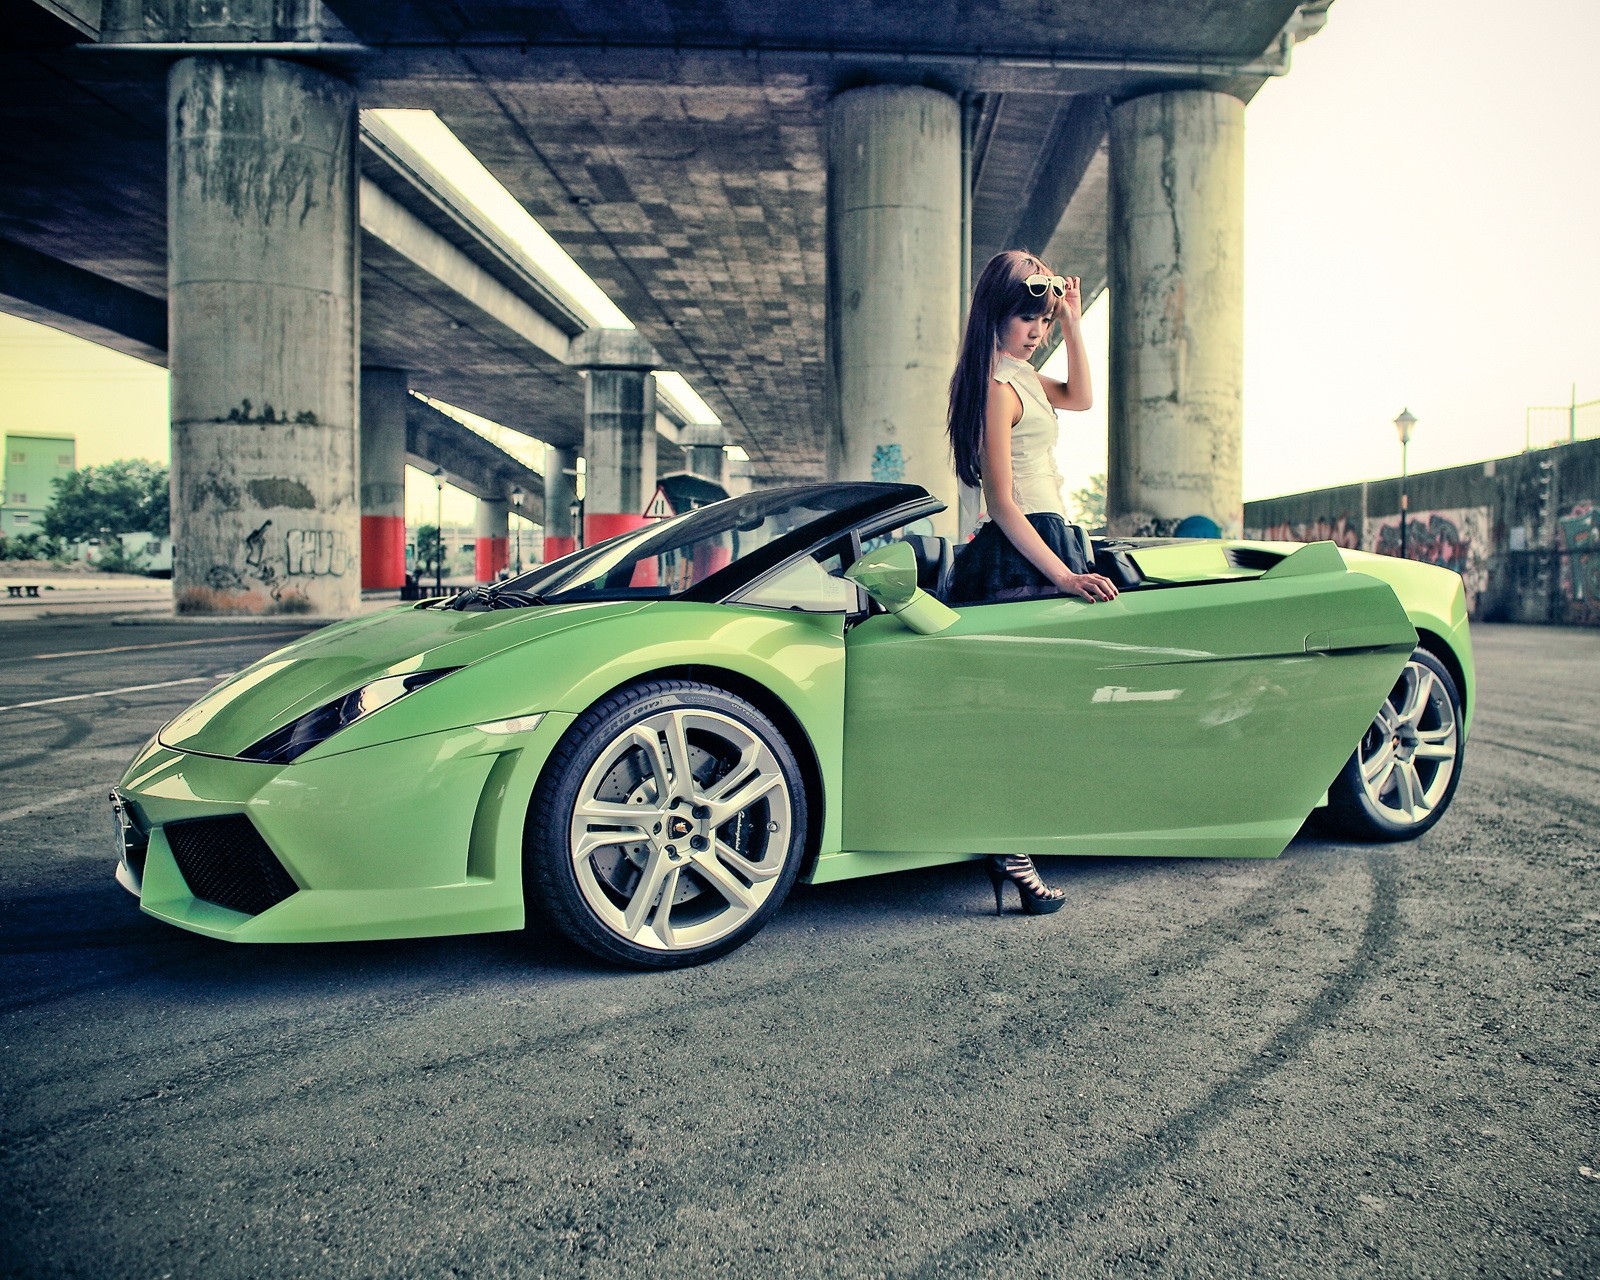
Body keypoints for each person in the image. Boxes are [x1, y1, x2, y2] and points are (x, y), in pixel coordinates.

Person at [944, 249, 1120, 916]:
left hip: (1052, 545)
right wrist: (1065, 576)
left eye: (1041, 321)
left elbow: (1081, 397)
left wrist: (1072, 319)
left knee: (1041, 711)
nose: (1036, 331)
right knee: (1022, 714)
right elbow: (1001, 502)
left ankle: (1015, 842)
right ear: (995, 313)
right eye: (1028, 318)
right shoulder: (995, 386)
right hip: (1026, 555)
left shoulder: (1025, 376)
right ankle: (1012, 849)